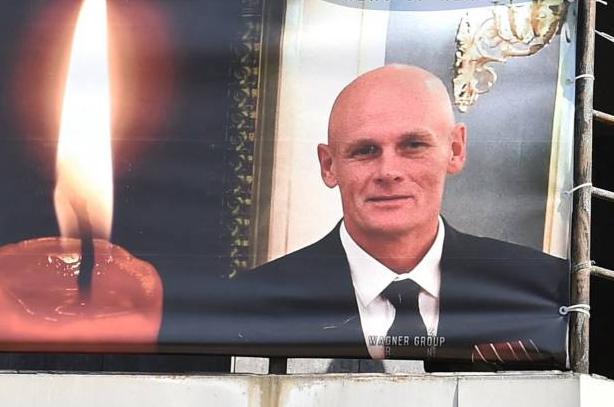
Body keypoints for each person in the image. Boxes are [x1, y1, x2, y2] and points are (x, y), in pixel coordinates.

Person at [237, 64, 568, 369]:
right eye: (365, 150)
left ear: (455, 150)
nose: (388, 171)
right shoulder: (247, 304)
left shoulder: (551, 290)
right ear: (329, 165)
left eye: (413, 145)